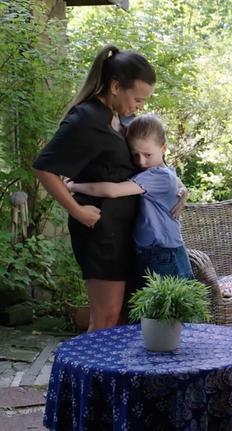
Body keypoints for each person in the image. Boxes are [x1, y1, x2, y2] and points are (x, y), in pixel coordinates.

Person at [33, 45, 156, 332]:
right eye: (138, 99)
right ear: (115, 86)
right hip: (100, 233)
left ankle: (111, 377)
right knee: (106, 317)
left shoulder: (119, 120)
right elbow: (45, 168)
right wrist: (77, 211)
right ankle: (87, 378)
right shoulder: (86, 118)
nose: (140, 106)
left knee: (122, 317)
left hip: (125, 231)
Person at [65, 114, 193, 285]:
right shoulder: (162, 172)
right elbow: (178, 183)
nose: (141, 161)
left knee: (163, 310)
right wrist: (185, 191)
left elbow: (113, 191)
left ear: (164, 148)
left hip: (162, 254)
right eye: (135, 155)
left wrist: (73, 186)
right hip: (155, 252)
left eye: (147, 154)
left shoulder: (158, 176)